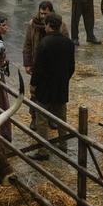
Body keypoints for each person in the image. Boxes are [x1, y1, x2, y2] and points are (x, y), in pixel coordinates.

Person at [31, 12, 75, 160]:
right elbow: (71, 67)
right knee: (61, 118)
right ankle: (63, 145)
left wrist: (34, 84)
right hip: (61, 87)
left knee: (42, 119)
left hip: (45, 87)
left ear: (48, 25)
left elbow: (38, 68)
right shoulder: (68, 43)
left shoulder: (45, 43)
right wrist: (64, 79)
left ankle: (43, 150)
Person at [23, 1, 59, 73]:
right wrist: (27, 64)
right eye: (41, 13)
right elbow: (27, 45)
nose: (43, 16)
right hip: (37, 63)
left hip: (53, 64)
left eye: (45, 14)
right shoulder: (33, 24)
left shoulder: (59, 24)